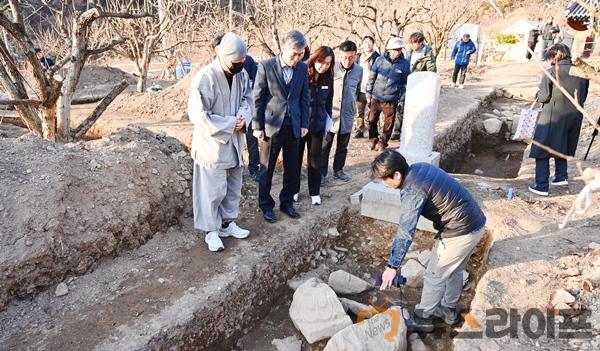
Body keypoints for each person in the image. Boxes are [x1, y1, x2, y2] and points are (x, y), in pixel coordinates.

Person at [372, 149, 486, 332]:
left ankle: (422, 319)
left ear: (397, 174)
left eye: (385, 179)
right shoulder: (419, 168)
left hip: (460, 230)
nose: (385, 184)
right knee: (454, 270)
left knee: (434, 275)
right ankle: (448, 311)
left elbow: (405, 230)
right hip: (475, 223)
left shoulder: (412, 190)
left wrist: (392, 267)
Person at [187, 33, 253, 252]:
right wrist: (229, 124)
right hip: (212, 146)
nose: (240, 66)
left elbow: (247, 98)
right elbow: (198, 115)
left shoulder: (241, 74)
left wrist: (245, 116)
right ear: (223, 56)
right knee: (212, 190)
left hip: (234, 141)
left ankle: (226, 224)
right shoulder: (204, 78)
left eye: (243, 62)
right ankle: (211, 231)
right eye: (236, 63)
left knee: (233, 187)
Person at [253, 30, 310, 223]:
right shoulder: (266, 66)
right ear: (284, 49)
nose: (297, 58)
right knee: (266, 169)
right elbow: (258, 99)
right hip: (270, 126)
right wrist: (258, 126)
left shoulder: (302, 68)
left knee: (292, 168)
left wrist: (304, 123)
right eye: (294, 54)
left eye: (300, 54)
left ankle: (287, 203)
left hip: (293, 125)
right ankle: (266, 205)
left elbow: (304, 98)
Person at [528, 43, 589, 196]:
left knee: (542, 148)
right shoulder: (581, 72)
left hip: (553, 115)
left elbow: (544, 97)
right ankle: (561, 177)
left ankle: (541, 185)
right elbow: (583, 97)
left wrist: (537, 94)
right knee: (563, 144)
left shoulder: (551, 72)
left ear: (554, 56)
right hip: (574, 116)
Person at [211, 33, 261, 182]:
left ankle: (253, 168)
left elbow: (254, 84)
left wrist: (244, 114)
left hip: (244, 111)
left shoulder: (246, 65)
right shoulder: (210, 73)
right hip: (222, 126)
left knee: (251, 139)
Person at [294, 46, 334, 205]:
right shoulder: (302, 74)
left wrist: (328, 121)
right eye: (321, 62)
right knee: (295, 159)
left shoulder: (328, 79)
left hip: (318, 126)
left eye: (328, 63)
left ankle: (315, 192)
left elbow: (328, 103)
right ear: (315, 59)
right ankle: (294, 190)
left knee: (315, 159)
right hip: (301, 125)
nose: (324, 66)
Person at [321, 40, 362, 184]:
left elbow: (356, 91)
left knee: (342, 145)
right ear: (339, 55)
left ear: (355, 55)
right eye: (345, 57)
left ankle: (339, 169)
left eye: (351, 57)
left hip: (347, 113)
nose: (348, 60)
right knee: (325, 145)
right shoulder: (331, 68)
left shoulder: (359, 70)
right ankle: (322, 173)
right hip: (331, 112)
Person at [365, 37, 409, 151]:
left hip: (391, 99)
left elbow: (405, 84)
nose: (396, 52)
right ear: (388, 49)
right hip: (376, 97)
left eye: (399, 50)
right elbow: (371, 78)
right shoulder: (379, 60)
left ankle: (383, 142)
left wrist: (401, 99)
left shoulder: (405, 64)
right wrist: (368, 94)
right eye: (394, 50)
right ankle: (373, 139)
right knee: (371, 120)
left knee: (388, 123)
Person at [391, 32, 437, 141]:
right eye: (411, 43)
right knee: (400, 107)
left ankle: (412, 133)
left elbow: (431, 72)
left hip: (418, 86)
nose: (412, 45)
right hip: (405, 84)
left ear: (421, 43)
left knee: (414, 110)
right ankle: (397, 132)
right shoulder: (408, 52)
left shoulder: (427, 54)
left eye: (415, 43)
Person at [354, 36, 380, 139]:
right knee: (359, 112)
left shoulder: (377, 57)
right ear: (362, 45)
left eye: (370, 42)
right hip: (360, 89)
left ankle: (372, 131)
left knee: (372, 113)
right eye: (365, 42)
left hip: (373, 90)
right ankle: (359, 130)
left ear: (373, 44)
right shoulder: (358, 57)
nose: (368, 44)